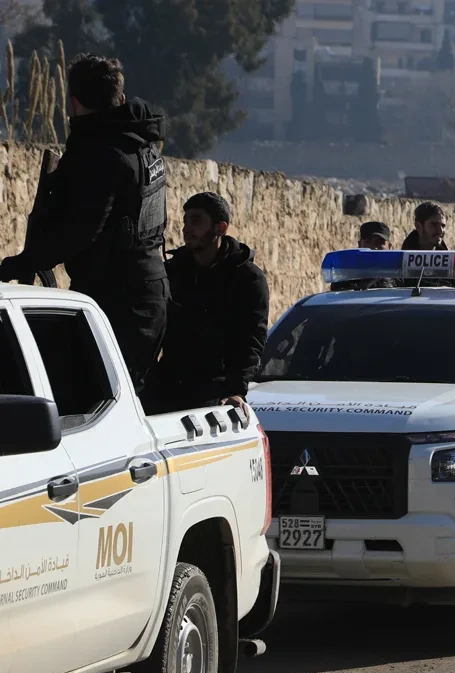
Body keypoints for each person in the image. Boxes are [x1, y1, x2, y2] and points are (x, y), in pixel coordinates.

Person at [0, 54, 169, 392]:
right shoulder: (140, 145)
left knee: (93, 397)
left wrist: (22, 263)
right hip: (147, 293)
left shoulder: (101, 153)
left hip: (118, 299)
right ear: (120, 97)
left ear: (74, 103)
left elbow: (82, 229)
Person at [145, 192, 269, 414]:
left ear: (220, 228)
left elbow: (251, 340)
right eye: (185, 221)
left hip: (215, 392)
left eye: (196, 221)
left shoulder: (248, 279)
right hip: (166, 387)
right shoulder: (172, 272)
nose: (186, 229)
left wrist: (236, 391)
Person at [331, 222, 398, 291]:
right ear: (360, 245)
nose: (374, 248)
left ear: (389, 247)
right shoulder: (346, 277)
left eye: (379, 243)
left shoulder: (399, 275)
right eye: (368, 242)